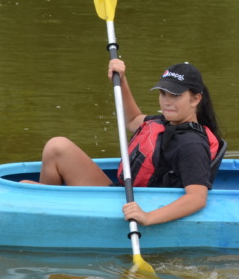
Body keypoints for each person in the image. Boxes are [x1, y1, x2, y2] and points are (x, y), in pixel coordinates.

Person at [33, 59, 223, 225]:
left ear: (195, 99)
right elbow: (133, 120)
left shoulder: (191, 144)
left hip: (140, 205)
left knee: (30, 186)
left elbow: (197, 198)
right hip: (122, 195)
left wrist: (147, 217)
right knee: (57, 147)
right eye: (163, 93)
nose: (166, 101)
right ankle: (51, 208)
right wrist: (121, 80)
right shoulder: (166, 121)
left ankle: (47, 209)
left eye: (175, 95)